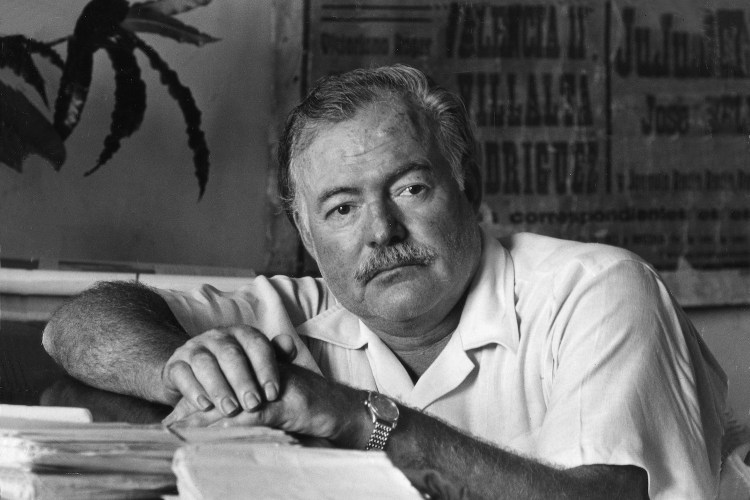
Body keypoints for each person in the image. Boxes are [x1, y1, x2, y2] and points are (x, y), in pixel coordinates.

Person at [43, 65, 726, 499]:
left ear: (469, 188)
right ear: (308, 237)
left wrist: (349, 414)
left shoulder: (597, 289)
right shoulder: (297, 311)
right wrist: (185, 367)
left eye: (411, 188)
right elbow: (77, 326)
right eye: (341, 208)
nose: (382, 232)